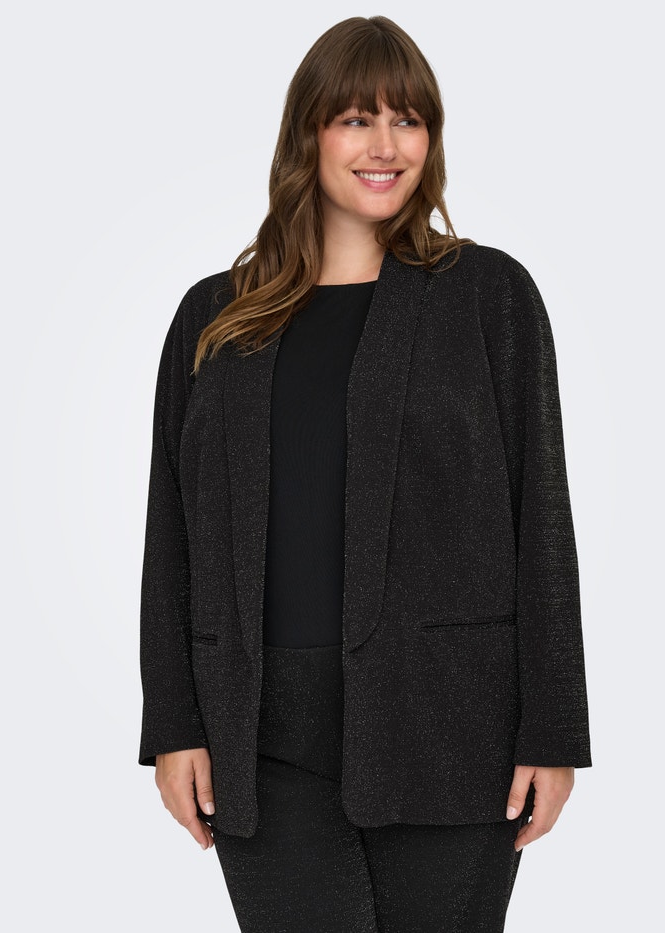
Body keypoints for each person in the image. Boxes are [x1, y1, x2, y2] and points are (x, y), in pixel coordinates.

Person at [138, 15, 592, 932]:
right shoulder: (213, 318)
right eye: (355, 119)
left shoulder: (489, 296)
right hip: (258, 735)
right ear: (307, 134)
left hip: (450, 723)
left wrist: (554, 730)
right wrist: (173, 724)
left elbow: (541, 518)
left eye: (408, 120)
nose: (386, 146)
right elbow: (171, 532)